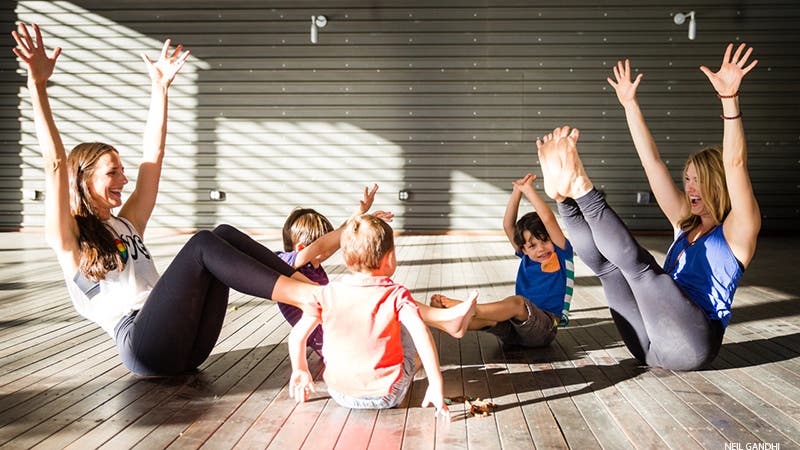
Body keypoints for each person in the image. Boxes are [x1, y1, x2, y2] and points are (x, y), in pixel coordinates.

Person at [12, 23, 319, 376]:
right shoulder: (68, 237)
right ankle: (309, 297)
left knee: (223, 235)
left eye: (123, 171)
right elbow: (53, 164)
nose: (124, 180)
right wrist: (37, 86)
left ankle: (308, 288)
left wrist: (160, 89)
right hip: (144, 346)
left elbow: (153, 156)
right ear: (84, 178)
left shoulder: (126, 223)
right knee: (202, 243)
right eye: (112, 172)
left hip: (187, 343)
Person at [535, 44, 760, 371]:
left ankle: (580, 186)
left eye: (699, 180)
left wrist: (729, 100)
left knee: (642, 271)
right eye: (687, 179)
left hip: (691, 344)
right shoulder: (685, 223)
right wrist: (629, 104)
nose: (690, 187)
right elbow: (652, 162)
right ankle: (564, 199)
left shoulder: (739, 230)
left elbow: (735, 162)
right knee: (609, 270)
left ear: (719, 183)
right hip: (647, 344)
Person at [279, 186, 477, 356]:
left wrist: (360, 213)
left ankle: (444, 322)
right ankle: (442, 321)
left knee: (384, 300)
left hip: (344, 333)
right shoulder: (284, 262)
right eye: (324, 248)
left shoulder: (311, 263)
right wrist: (362, 220)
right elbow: (324, 245)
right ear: (302, 249)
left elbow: (329, 241)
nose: (332, 249)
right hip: (339, 345)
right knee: (384, 297)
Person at [288, 214, 450, 418]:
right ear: (390, 258)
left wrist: (301, 369)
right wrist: (435, 384)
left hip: (340, 393)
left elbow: (296, 336)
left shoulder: (326, 293)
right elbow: (422, 334)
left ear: (346, 259)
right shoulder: (396, 294)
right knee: (406, 324)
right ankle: (412, 363)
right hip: (388, 394)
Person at [430, 173, 574, 348]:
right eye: (532, 245)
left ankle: (468, 308)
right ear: (524, 249)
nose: (541, 249)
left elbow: (548, 219)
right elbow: (508, 225)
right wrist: (516, 191)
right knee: (490, 320)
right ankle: (448, 321)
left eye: (544, 240)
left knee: (517, 302)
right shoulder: (526, 256)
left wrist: (528, 191)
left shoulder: (560, 254)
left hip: (544, 328)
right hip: (515, 332)